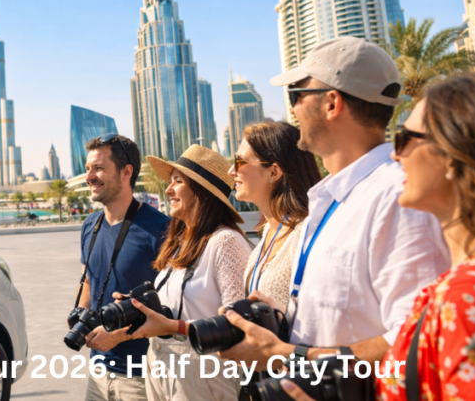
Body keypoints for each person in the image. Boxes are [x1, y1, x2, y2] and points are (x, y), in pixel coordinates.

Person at [218, 37, 450, 374]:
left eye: (296, 95)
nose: (293, 108)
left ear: (331, 103)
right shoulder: (330, 200)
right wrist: (282, 317)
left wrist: (289, 356)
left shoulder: (397, 197)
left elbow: (415, 338)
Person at [286, 73, 475, 400]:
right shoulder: (453, 286)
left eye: (405, 139)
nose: (394, 154)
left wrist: (289, 355)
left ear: (450, 155)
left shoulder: (466, 295)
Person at [123, 144, 251, 401]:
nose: (168, 189)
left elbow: (238, 324)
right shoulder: (181, 241)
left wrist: (174, 326)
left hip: (202, 372)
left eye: (177, 181)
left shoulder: (225, 241)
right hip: (162, 365)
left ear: (201, 191)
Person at [75, 133, 170, 401]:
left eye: (99, 168)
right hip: (97, 371)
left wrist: (117, 336)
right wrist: (80, 313)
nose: (90, 176)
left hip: (140, 375)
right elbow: (89, 280)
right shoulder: (89, 225)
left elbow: (171, 304)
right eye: (87, 169)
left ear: (126, 171)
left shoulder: (161, 229)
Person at [231, 120, 321, 311]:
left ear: (274, 171)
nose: (232, 171)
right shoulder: (267, 233)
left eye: (239, 161)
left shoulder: (305, 234)